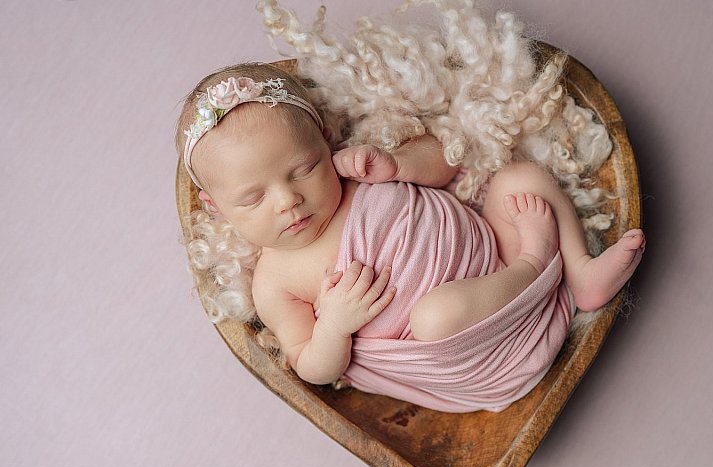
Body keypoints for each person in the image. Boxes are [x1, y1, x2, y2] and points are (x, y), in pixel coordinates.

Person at [175, 62, 645, 412]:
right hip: (472, 343)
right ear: (217, 208)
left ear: (323, 138)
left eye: (303, 169)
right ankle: (539, 260)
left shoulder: (354, 171)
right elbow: (308, 364)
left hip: (495, 251)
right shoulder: (274, 282)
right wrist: (334, 326)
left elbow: (449, 164)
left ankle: (581, 271)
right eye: (253, 199)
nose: (287, 201)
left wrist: (397, 164)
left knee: (518, 179)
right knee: (435, 315)